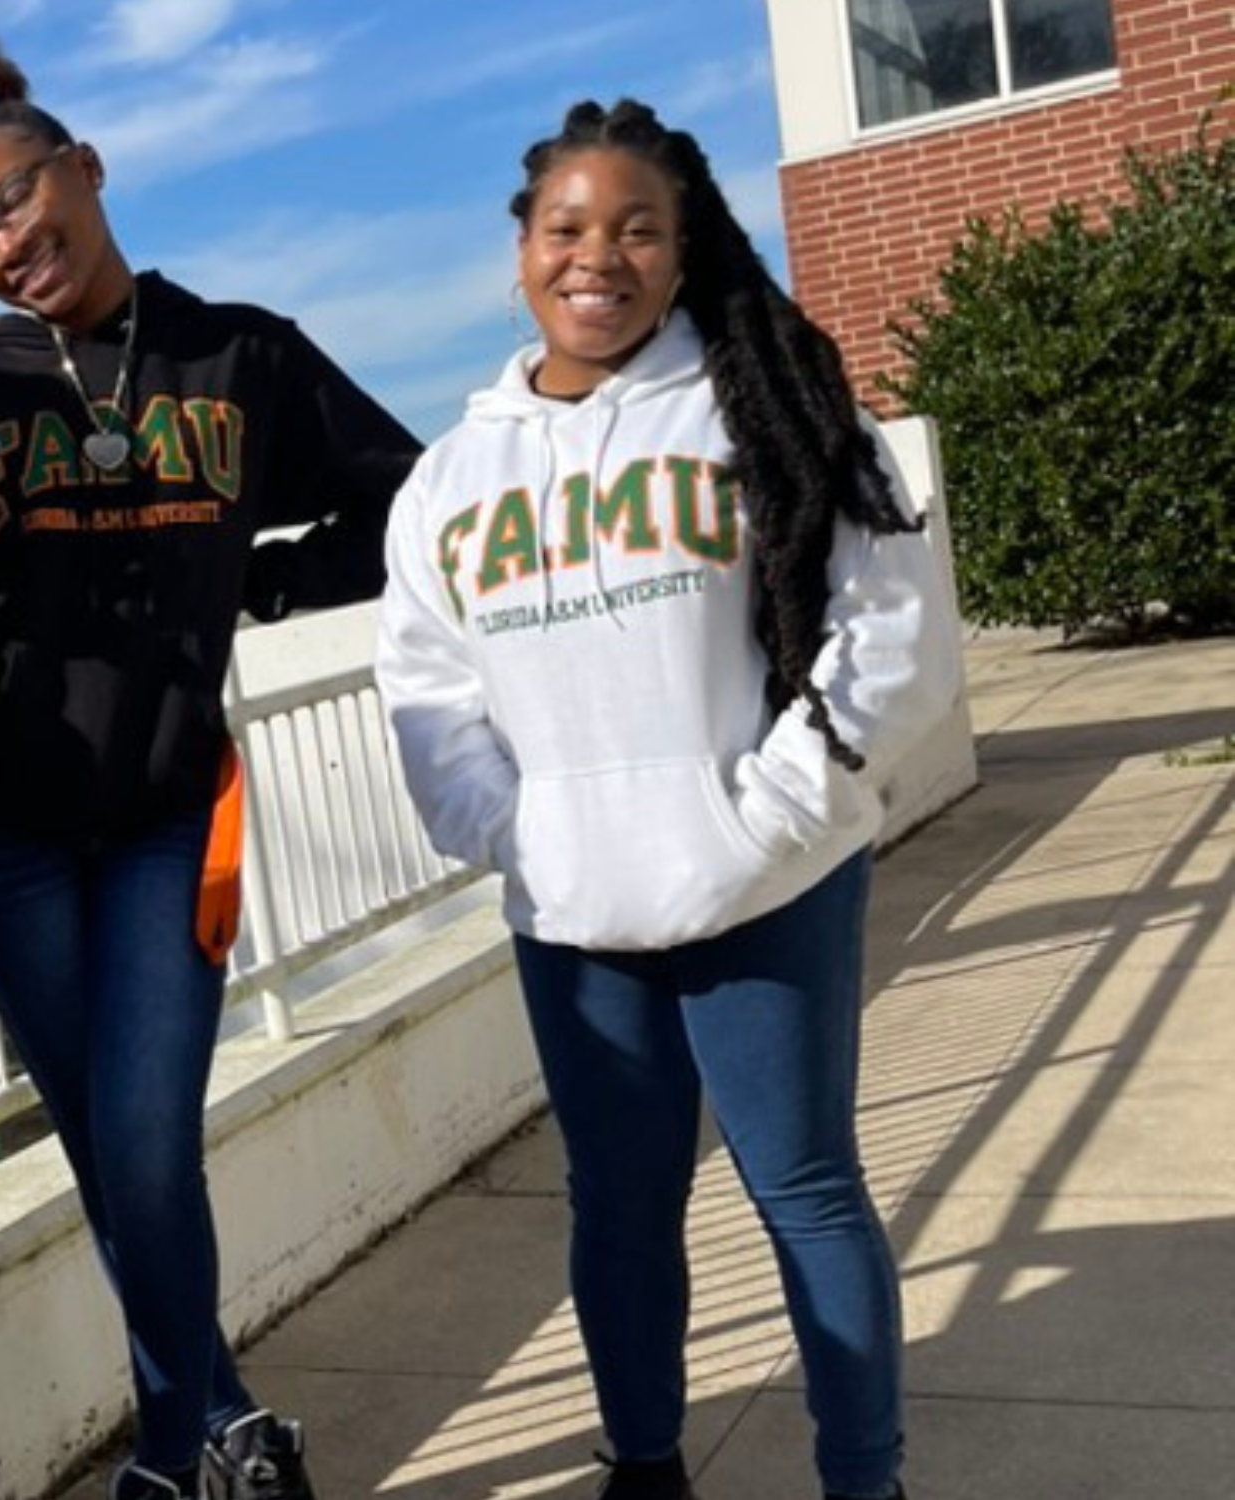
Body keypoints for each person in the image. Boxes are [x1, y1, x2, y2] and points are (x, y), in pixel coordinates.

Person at [374, 100, 959, 1500]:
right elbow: (429, 690)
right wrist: (525, 836)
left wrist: (773, 814)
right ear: (519, 248)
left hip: (771, 884)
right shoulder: (452, 478)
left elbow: (890, 628)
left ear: (686, 250)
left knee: (805, 1192)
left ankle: (863, 1482)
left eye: (640, 228)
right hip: (576, 910)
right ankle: (645, 1468)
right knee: (620, 1211)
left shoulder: (767, 406)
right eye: (568, 228)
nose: (602, 257)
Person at [0, 27, 423, 1500]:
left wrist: (262, 583)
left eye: (12, 206)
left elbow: (409, 504)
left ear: (86, 169)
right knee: (110, 1154)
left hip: (172, 814)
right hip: (1, 828)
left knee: (145, 1141)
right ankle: (230, 1425)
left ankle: (172, 1460)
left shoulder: (241, 357)